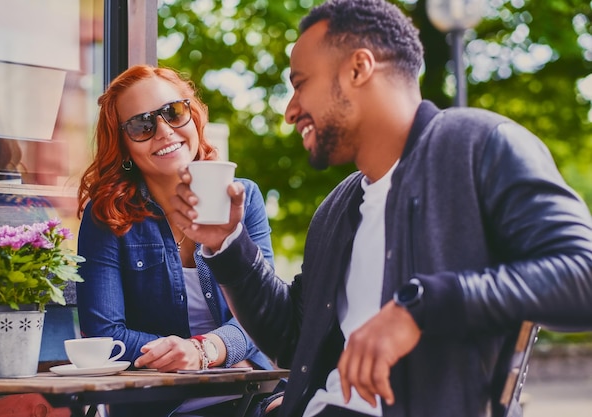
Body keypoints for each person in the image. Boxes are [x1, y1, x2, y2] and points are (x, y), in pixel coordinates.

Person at [169, 1, 592, 416]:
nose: (290, 111)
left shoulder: (480, 146)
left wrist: (420, 306)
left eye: (299, 83)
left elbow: (582, 274)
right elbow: (297, 339)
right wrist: (228, 243)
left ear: (359, 68)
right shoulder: (337, 207)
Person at [75, 64, 275, 417]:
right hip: (162, 405)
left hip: (252, 395)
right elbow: (105, 333)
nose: (164, 131)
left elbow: (264, 310)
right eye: (141, 125)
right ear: (122, 143)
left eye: (174, 112)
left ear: (194, 117)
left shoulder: (243, 199)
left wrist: (206, 350)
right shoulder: (105, 216)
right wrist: (180, 354)